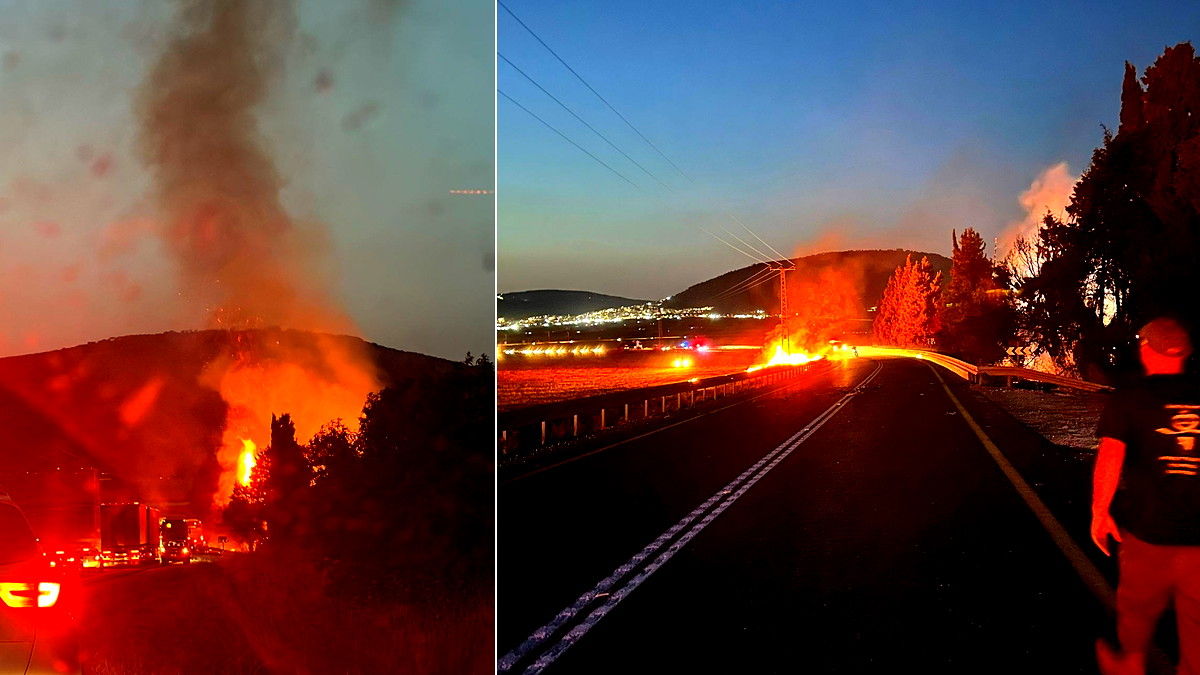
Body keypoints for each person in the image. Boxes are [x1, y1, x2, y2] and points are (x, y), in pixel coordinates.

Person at [1092, 316, 1200, 675]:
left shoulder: (1131, 399)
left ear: (1145, 350)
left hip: (1147, 535)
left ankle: (1132, 662)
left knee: (1137, 607)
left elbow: (1110, 457)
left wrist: (1100, 512)